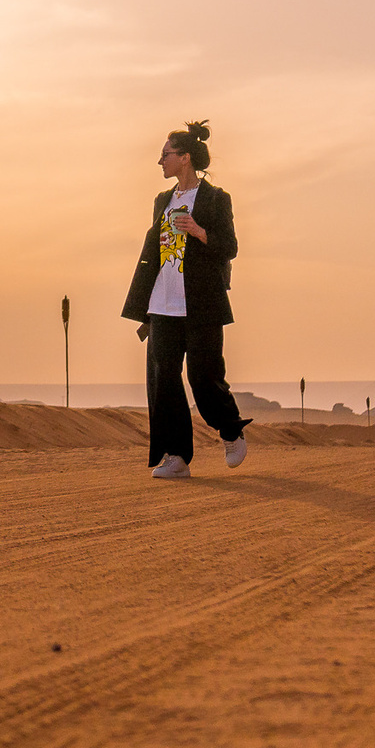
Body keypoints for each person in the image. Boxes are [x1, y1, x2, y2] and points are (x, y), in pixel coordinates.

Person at [119, 121, 247, 479]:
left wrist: (199, 231)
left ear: (185, 158)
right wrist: (144, 305)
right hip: (163, 305)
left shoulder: (215, 199)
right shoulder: (162, 201)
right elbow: (154, 252)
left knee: (204, 378)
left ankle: (231, 429)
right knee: (164, 381)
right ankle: (176, 456)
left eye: (165, 155)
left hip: (202, 304)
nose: (160, 161)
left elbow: (230, 247)